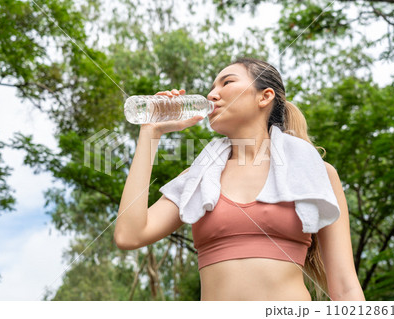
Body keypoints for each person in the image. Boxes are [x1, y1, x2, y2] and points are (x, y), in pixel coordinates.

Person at [114, 57, 366, 301]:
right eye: (212, 87)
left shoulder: (312, 172)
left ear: (264, 96)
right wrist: (150, 132)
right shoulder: (198, 178)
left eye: (227, 82)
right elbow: (129, 235)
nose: (212, 94)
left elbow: (345, 288)